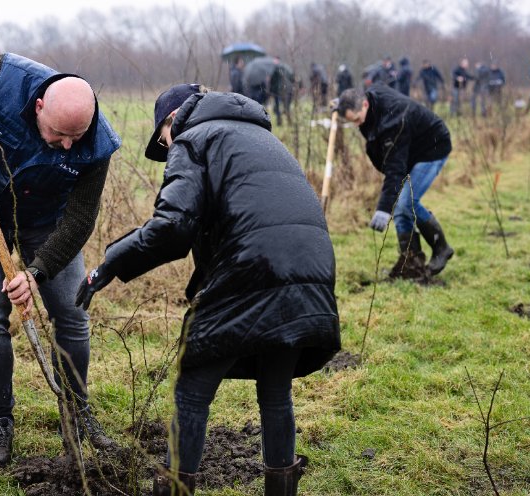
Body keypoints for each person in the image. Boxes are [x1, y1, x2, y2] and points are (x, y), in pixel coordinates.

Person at [76, 84, 340, 495]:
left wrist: (111, 262)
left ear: (170, 122)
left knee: (192, 386)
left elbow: (172, 228)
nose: (167, 149)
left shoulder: (193, 138)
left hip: (254, 271)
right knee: (275, 387)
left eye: (163, 142)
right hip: (310, 271)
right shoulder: (261, 137)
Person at [0, 53, 121, 467]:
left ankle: (78, 409)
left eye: (75, 137)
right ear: (39, 106)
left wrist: (36, 272)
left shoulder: (97, 143)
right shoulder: (5, 80)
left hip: (47, 223)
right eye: (60, 134)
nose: (68, 145)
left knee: (71, 310)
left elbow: (81, 217)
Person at [338, 85, 455, 278]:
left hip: (432, 148)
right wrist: (339, 104)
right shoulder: (370, 100)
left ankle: (441, 247)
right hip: (412, 149)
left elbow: (395, 170)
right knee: (402, 208)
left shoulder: (394, 121)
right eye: (352, 121)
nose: (357, 125)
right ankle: (411, 263)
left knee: (406, 203)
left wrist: (384, 209)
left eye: (357, 119)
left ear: (365, 104)